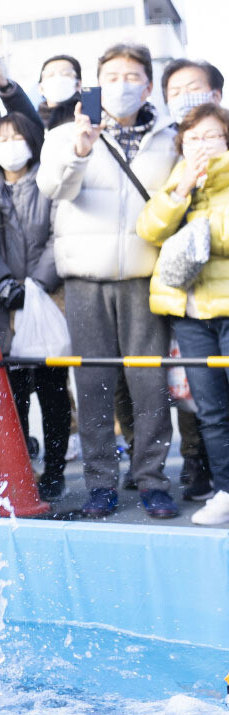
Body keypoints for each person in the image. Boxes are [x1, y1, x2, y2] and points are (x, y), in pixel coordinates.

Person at [37, 42, 179, 519]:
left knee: (149, 383)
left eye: (133, 75)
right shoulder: (64, 134)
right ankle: (101, 483)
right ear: (94, 85)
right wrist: (80, 148)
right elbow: (53, 188)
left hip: (145, 276)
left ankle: (153, 480)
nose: (123, 85)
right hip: (84, 278)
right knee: (93, 384)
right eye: (112, 76)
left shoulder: (171, 136)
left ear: (149, 83)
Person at [136, 103, 229, 525]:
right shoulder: (180, 177)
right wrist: (180, 193)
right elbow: (150, 229)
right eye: (193, 138)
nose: (202, 145)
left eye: (211, 135)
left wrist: (201, 228)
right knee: (211, 411)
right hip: (191, 313)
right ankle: (226, 491)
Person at [0, 113, 70, 501]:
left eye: (18, 136)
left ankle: (55, 468)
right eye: (1, 138)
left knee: (52, 390)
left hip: (46, 297)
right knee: (12, 392)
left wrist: (36, 283)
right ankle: (20, 468)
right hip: (0, 304)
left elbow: (59, 233)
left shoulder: (49, 183)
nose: (10, 144)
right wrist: (3, 283)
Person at [160, 59, 224, 126]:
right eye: (175, 93)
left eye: (194, 88)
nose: (183, 96)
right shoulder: (160, 135)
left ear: (216, 96)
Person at [37, 55, 82, 130]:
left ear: (78, 84)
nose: (58, 79)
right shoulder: (31, 122)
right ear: (41, 88)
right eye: (50, 75)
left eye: (66, 74)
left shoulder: (88, 117)